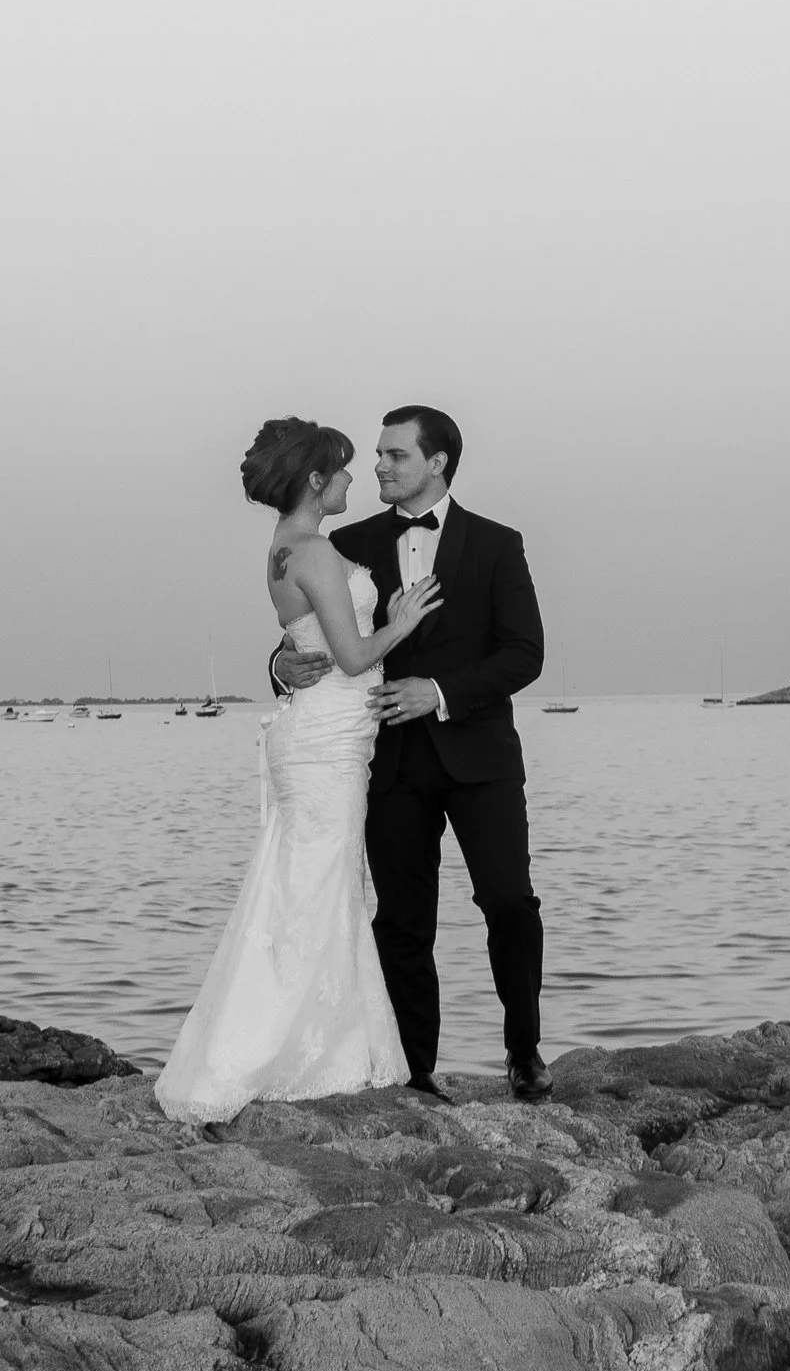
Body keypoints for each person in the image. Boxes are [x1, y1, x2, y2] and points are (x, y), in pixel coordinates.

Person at [153, 417, 439, 1125]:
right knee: (318, 893)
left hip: (321, 735)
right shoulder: (310, 550)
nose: (352, 478)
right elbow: (350, 655)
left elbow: (299, 643)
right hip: (327, 743)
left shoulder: (283, 547)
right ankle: (281, 1055)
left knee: (311, 891)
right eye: (341, 469)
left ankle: (330, 1049)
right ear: (316, 479)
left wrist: (286, 662)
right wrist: (400, 623)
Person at [271, 402, 550, 1103]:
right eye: (377, 455)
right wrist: (279, 663)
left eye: (395, 455)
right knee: (401, 919)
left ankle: (524, 1052)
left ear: (437, 463)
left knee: (510, 901)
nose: (378, 467)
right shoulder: (349, 540)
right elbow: (308, 626)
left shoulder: (496, 543)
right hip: (384, 759)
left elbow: (526, 653)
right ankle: (413, 1069)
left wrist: (443, 690)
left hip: (479, 755)